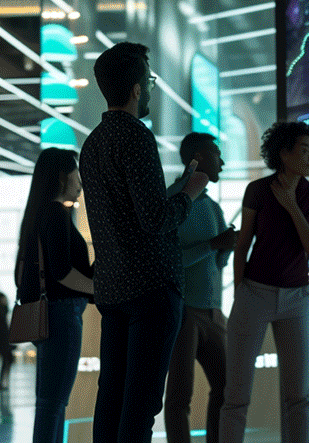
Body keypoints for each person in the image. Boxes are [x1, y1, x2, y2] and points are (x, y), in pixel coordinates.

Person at [80, 42, 209, 442]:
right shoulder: (135, 136)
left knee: (112, 400)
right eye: (150, 82)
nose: (150, 89)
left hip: (113, 288)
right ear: (137, 89)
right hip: (151, 287)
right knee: (140, 407)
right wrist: (189, 192)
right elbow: (155, 219)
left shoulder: (92, 144)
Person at [220, 121, 309, 443]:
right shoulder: (258, 190)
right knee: (236, 393)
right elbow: (243, 246)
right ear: (283, 153)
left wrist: (293, 206)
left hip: (297, 299)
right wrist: (241, 291)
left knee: (299, 394)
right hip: (255, 294)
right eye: (304, 151)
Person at [15, 147, 94, 443]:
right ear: (62, 176)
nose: (80, 179)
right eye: (76, 171)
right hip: (62, 314)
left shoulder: (37, 214)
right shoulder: (57, 214)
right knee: (53, 403)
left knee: (49, 400)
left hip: (47, 314)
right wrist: (97, 289)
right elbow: (63, 272)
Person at [164, 133, 237, 443]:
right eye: (217, 154)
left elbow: (217, 264)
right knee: (180, 396)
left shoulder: (212, 206)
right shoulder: (173, 199)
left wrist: (226, 247)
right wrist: (214, 244)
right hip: (183, 311)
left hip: (211, 311)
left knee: (227, 388)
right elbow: (168, 261)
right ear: (200, 157)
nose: (222, 161)